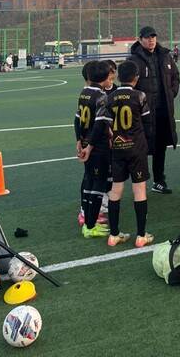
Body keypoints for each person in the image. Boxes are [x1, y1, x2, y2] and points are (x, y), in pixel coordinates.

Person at [95, 60, 153, 248]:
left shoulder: (109, 98)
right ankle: (141, 235)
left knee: (116, 190)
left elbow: (106, 125)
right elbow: (147, 124)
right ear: (136, 78)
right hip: (136, 149)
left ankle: (113, 234)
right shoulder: (140, 96)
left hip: (118, 149)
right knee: (139, 190)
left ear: (119, 77)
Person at [129, 26, 180, 194]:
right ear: (140, 39)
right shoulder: (134, 60)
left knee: (160, 147)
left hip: (163, 111)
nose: (151, 40)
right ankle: (140, 181)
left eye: (153, 37)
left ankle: (159, 181)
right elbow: (129, 84)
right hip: (143, 114)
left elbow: (175, 77)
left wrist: (171, 93)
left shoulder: (165, 56)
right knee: (141, 148)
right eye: (147, 37)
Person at [74, 61, 111, 238]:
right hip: (98, 146)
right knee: (99, 183)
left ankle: (88, 221)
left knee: (89, 180)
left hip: (85, 141)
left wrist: (79, 140)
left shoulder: (84, 93)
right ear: (106, 77)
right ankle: (91, 224)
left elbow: (77, 119)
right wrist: (90, 147)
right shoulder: (101, 96)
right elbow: (99, 125)